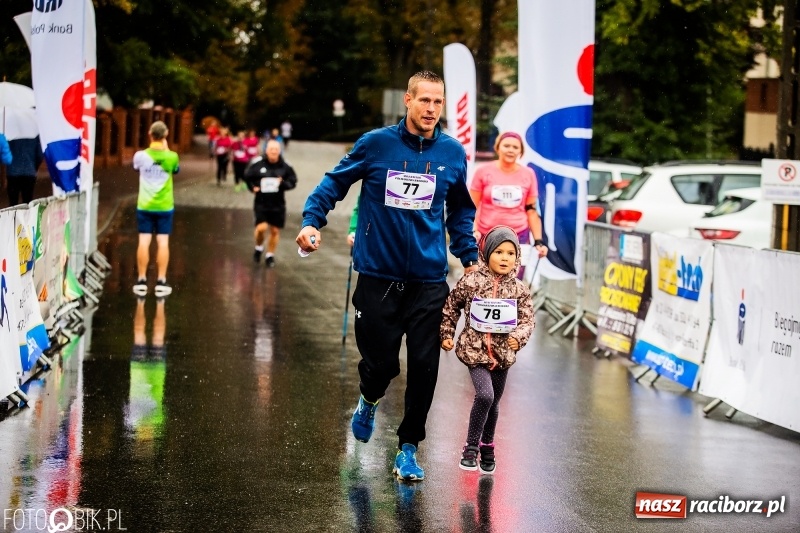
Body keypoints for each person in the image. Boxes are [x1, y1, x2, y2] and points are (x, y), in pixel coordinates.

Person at [296, 70, 479, 482]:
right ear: (408, 101)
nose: (432, 109)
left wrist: (469, 257)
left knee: (425, 367)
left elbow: (461, 211)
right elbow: (333, 183)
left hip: (430, 283)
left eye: (439, 101)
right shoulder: (377, 144)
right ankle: (369, 399)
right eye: (425, 100)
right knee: (379, 365)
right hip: (378, 278)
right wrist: (313, 221)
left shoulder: (452, 153)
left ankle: (409, 447)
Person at [440, 225, 535, 475]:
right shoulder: (471, 281)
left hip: (503, 355)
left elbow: (528, 320)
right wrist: (447, 334)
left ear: (517, 258)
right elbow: (451, 306)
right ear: (487, 253)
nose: (505, 258)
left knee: (494, 403)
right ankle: (470, 447)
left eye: (510, 253)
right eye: (499, 252)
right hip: (475, 352)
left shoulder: (519, 289)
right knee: (485, 396)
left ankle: (488, 446)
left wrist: (518, 337)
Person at [470, 132, 548, 279]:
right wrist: (473, 230)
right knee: (484, 281)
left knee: (512, 282)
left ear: (521, 152)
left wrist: (538, 241)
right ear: (498, 148)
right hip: (487, 234)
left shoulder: (528, 174)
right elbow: (472, 206)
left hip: (518, 235)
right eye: (506, 146)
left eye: (515, 147)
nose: (510, 150)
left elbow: (531, 210)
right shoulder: (482, 171)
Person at [131, 121, 180, 297]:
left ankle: (142, 279)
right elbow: (175, 169)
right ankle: (161, 280)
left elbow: (136, 169)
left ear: (150, 135)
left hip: (145, 204)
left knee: (144, 240)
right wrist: (165, 150)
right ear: (165, 136)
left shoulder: (140, 156)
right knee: (163, 242)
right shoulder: (172, 156)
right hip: (164, 206)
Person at [244, 139, 297, 267]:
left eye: (276, 149)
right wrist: (252, 188)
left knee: (274, 231)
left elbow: (293, 181)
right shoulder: (257, 163)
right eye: (271, 149)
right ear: (266, 150)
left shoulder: (286, 166)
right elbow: (247, 177)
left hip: (278, 204)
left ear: (279, 151)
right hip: (261, 203)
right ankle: (258, 247)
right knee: (261, 228)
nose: (274, 152)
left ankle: (270, 255)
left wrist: (283, 183)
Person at [4, 133, 42, 206]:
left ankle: (13, 217)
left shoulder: (10, 132)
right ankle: (27, 217)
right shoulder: (34, 133)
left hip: (13, 173)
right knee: (28, 202)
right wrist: (34, 167)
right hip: (29, 172)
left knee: (13, 203)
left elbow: (5, 151)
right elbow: (39, 154)